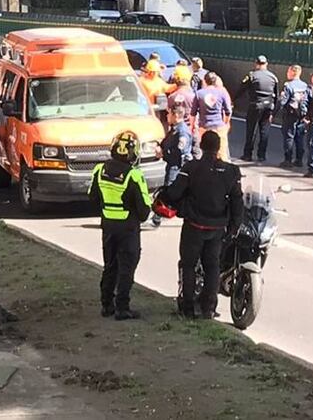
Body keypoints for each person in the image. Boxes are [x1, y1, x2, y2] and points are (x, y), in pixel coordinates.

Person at [165, 130, 243, 319]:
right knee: (212, 266)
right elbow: (237, 201)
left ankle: (188, 307)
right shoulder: (231, 172)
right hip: (217, 228)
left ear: (201, 146)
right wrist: (234, 226)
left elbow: (174, 193)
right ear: (218, 148)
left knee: (188, 265)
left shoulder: (191, 168)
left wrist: (167, 199)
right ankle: (208, 308)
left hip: (194, 224)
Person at [88, 131, 152, 320]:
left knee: (110, 265)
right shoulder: (134, 175)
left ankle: (106, 304)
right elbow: (144, 211)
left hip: (108, 224)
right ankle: (122, 307)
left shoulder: (99, 170)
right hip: (128, 227)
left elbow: (92, 197)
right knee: (127, 267)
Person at [154, 104, 194, 227]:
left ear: (175, 115)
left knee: (169, 192)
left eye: (169, 113)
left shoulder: (182, 132)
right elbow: (166, 142)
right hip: (172, 166)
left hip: (177, 167)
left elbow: (179, 152)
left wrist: (163, 154)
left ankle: (158, 217)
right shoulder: (174, 129)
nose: (167, 116)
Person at [235, 55, 278, 162]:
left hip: (255, 106)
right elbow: (276, 95)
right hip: (269, 106)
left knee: (251, 130)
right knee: (264, 132)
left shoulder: (252, 75)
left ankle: (248, 154)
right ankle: (261, 155)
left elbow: (241, 89)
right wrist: (273, 112)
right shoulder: (273, 77)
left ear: (256, 63)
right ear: (266, 64)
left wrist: (232, 99)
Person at [192, 72, 232, 160]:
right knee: (221, 152)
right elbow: (228, 110)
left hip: (204, 126)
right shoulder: (222, 92)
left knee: (205, 150)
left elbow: (193, 113)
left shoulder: (199, 93)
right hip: (219, 125)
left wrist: (192, 126)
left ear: (205, 81)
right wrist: (226, 123)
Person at [277, 65, 309, 169]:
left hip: (290, 115)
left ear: (292, 72)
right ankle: (299, 160)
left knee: (289, 137)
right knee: (299, 138)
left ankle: (288, 160)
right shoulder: (305, 86)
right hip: (302, 115)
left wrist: (277, 106)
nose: (287, 73)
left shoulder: (289, 86)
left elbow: (283, 101)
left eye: (288, 71)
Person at [138, 59, 171, 126]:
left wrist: (176, 85)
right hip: (148, 110)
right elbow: (167, 88)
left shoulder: (141, 80)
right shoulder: (144, 81)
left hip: (149, 109)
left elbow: (167, 88)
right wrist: (177, 85)